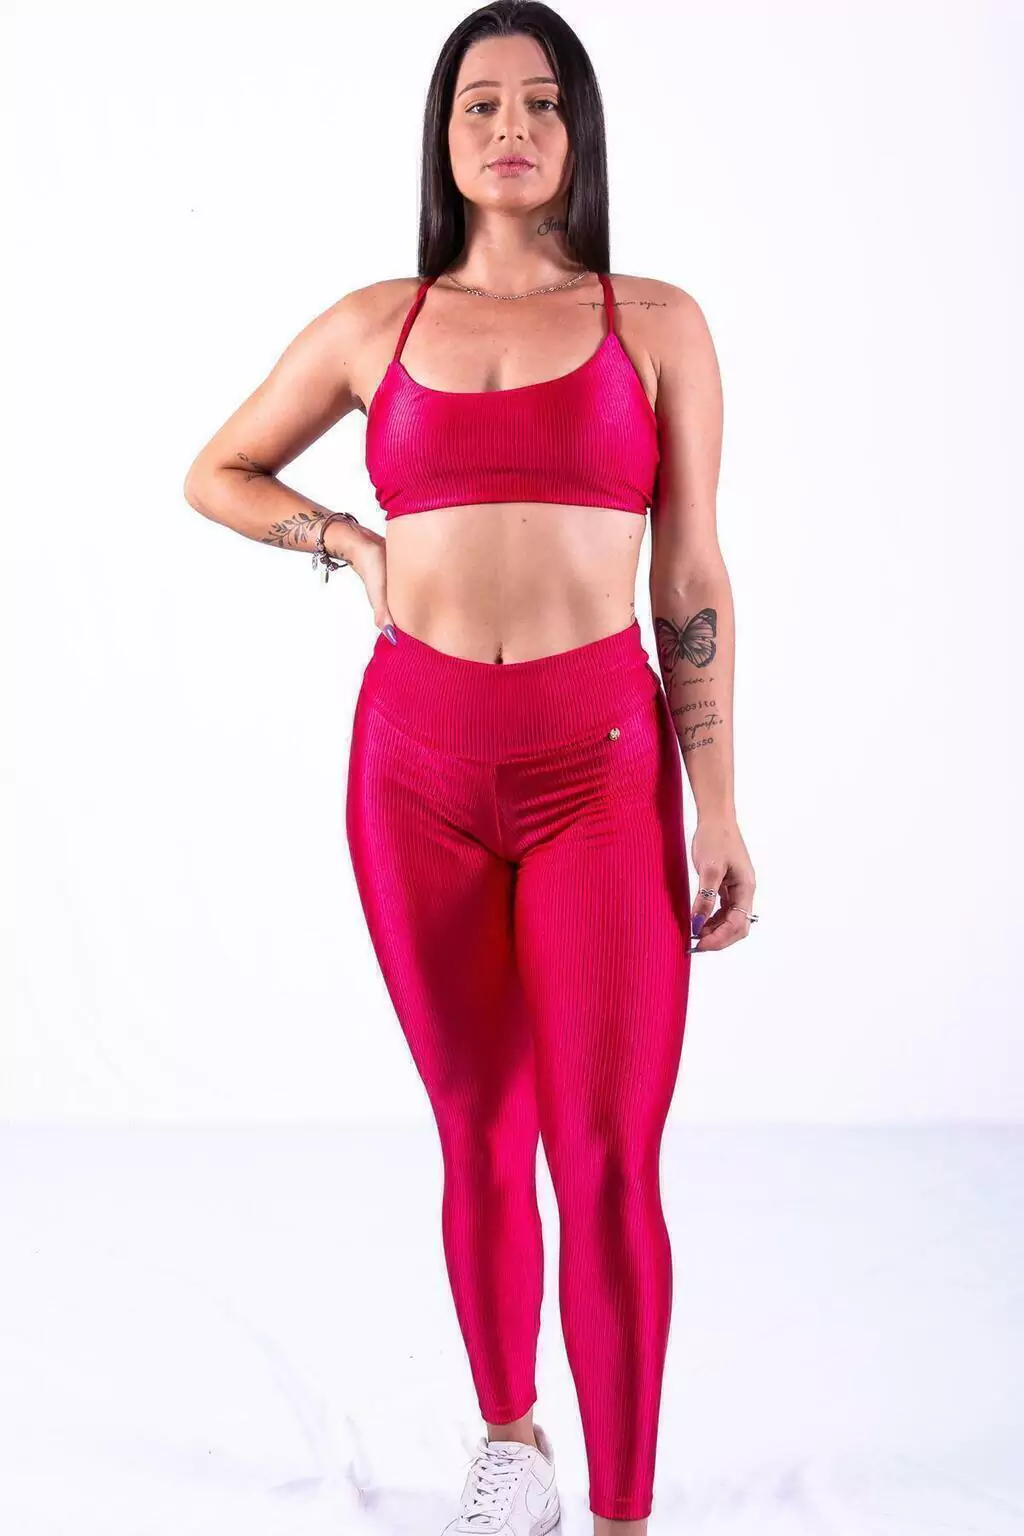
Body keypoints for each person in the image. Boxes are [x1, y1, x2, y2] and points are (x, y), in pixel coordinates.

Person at [183, 2, 757, 1530]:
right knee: (481, 1134)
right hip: (414, 773)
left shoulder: (656, 322)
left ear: (579, 134)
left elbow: (690, 572)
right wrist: (348, 540)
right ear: (443, 138)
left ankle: (625, 1510)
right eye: (479, 104)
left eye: (541, 103)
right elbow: (217, 472)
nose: (511, 127)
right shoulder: (378, 324)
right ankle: (514, 1444)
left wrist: (717, 804)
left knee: (608, 1155)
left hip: (600, 773)